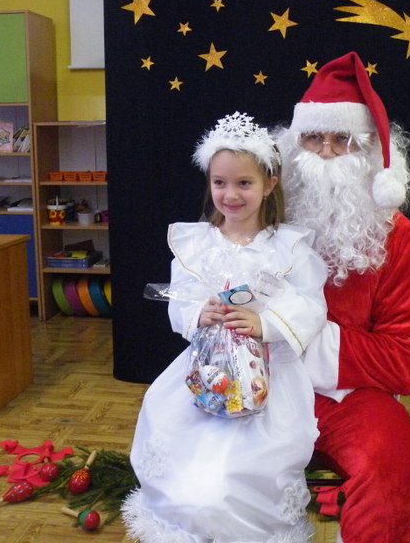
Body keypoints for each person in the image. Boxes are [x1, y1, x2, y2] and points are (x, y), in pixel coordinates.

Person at [122, 111, 328, 543]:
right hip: (207, 370)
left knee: (241, 468)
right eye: (220, 182)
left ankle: (242, 516)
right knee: (185, 451)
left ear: (269, 185)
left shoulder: (288, 247)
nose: (230, 194)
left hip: (268, 378)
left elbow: (312, 306)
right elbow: (180, 299)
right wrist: (200, 312)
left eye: (244, 183)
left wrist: (265, 322)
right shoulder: (197, 244)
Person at [274, 51, 410, 543]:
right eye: (312, 138)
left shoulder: (396, 235)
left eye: (342, 139)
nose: (325, 152)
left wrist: (300, 338)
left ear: (369, 151)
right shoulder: (261, 213)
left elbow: (409, 359)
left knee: (394, 468)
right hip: (260, 386)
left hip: (347, 398)